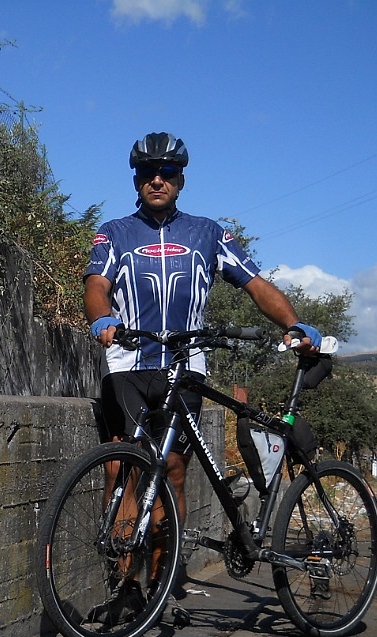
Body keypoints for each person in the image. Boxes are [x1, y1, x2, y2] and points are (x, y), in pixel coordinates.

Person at [83, 131, 321, 597]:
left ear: (181, 179)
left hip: (186, 367)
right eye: (148, 172)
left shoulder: (209, 233)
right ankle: (127, 584)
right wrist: (102, 317)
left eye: (167, 172)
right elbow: (96, 284)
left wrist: (295, 323)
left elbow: (254, 284)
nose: (157, 179)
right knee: (123, 469)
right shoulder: (114, 232)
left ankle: (165, 580)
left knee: (171, 470)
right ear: (135, 180)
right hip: (128, 363)